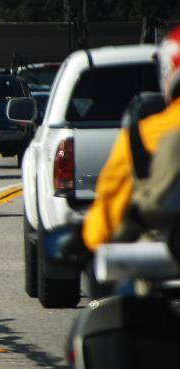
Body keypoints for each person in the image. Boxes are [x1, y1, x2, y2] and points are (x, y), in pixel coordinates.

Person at [82, 26, 180, 251]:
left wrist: (86, 240)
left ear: (167, 69)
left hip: (159, 264)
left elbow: (104, 225)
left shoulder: (141, 137)